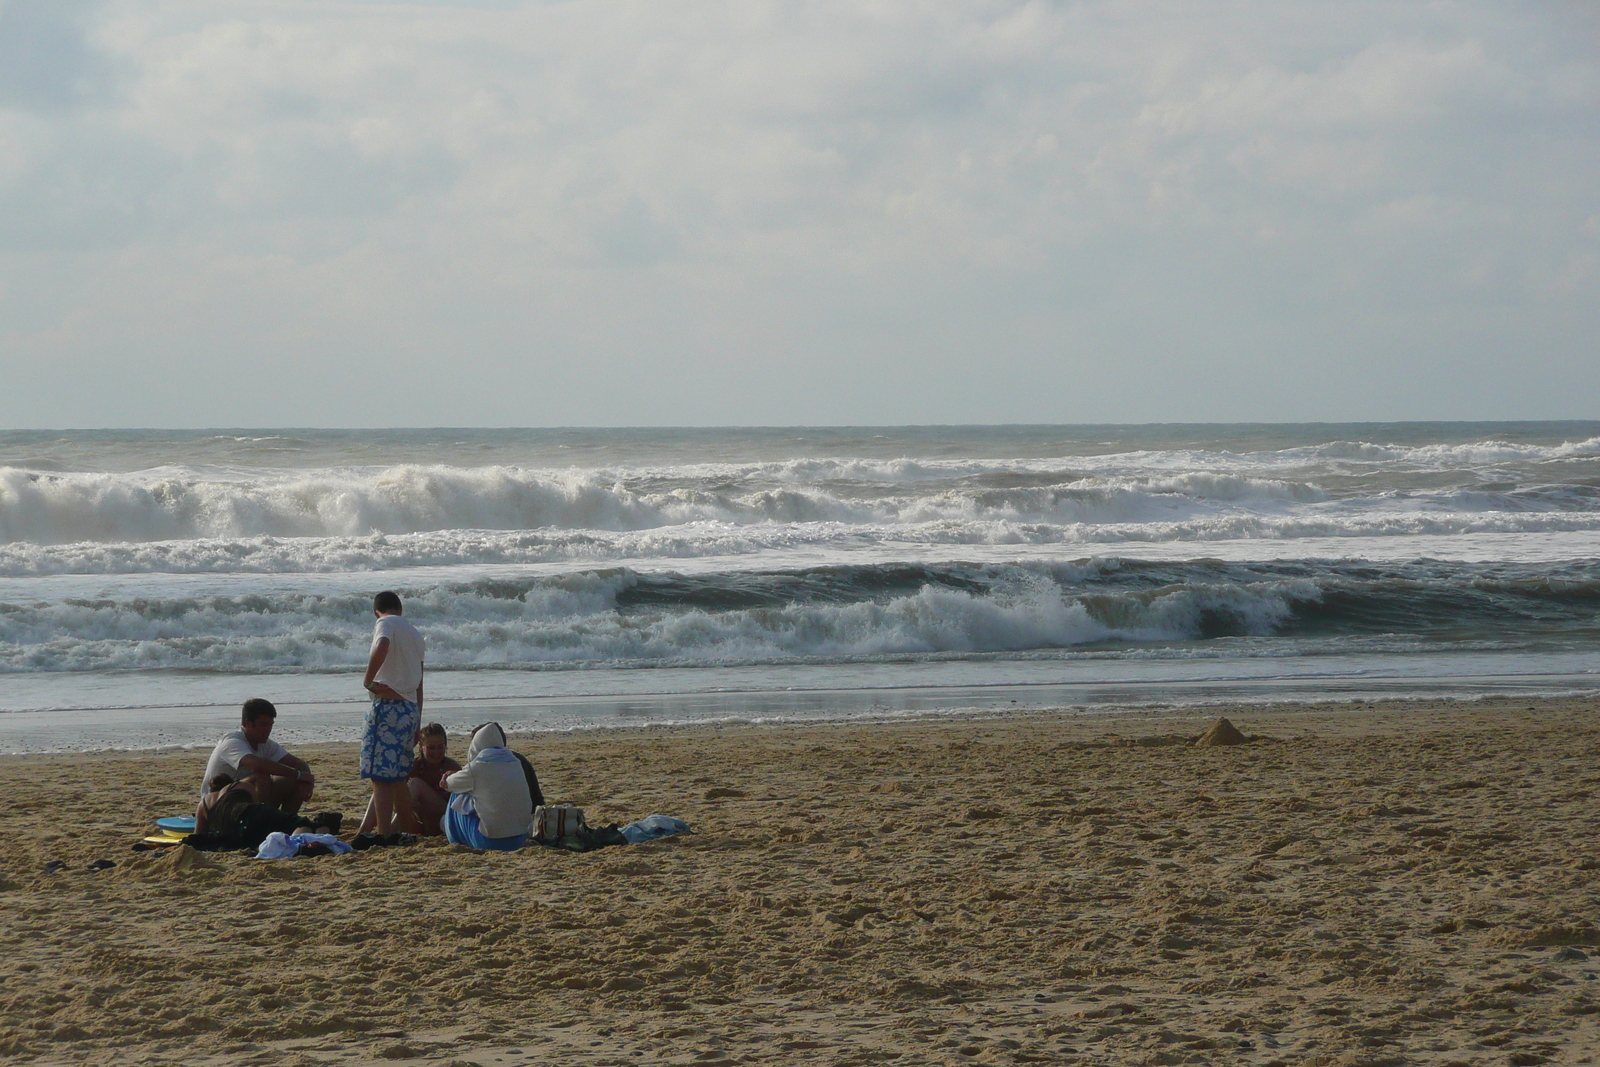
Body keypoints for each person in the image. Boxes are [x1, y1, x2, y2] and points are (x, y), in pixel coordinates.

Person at [361, 590, 426, 833]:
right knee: (398, 776)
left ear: (376, 612)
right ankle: (405, 830)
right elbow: (420, 682)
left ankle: (385, 833)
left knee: (380, 776)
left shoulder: (385, 623)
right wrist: (418, 718)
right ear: (401, 608)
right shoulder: (415, 634)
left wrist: (368, 680)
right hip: (409, 708)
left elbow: (383, 644)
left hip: (389, 707)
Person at [198, 698, 314, 812]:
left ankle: (286, 824)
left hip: (246, 799)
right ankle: (261, 823)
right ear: (248, 723)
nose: (268, 730)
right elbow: (258, 764)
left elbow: (298, 764)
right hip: (218, 803)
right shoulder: (231, 741)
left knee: (295, 780)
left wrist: (306, 781)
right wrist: (298, 774)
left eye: (270, 725)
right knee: (261, 776)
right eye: (263, 725)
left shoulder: (265, 744)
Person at [441, 722, 532, 851]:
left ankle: (454, 839)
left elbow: (448, 784)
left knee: (458, 793)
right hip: (520, 838)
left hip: (491, 842)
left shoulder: (477, 768)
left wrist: (448, 777)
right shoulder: (515, 763)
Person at [193, 774, 341, 850]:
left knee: (276, 833)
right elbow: (257, 806)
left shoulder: (203, 804)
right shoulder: (238, 785)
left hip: (239, 834)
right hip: (250, 813)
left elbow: (199, 836)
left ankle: (301, 843)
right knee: (298, 823)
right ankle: (301, 844)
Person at [408, 722, 460, 836]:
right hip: (420, 820)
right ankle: (390, 833)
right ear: (421, 747)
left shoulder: (451, 767)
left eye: (440, 747)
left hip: (445, 817)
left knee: (415, 784)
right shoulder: (414, 767)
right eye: (431, 748)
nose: (436, 752)